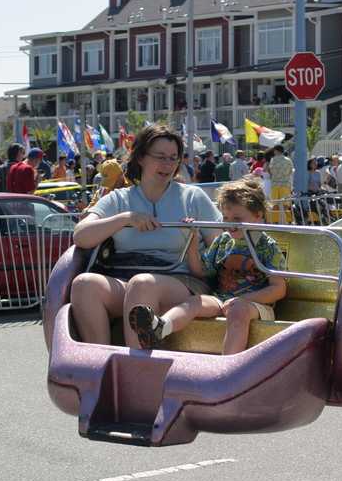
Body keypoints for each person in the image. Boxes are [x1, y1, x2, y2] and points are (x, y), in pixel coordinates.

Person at [70, 124, 223, 347]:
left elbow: (219, 248)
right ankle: (100, 360)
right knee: (84, 284)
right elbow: (81, 236)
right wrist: (125, 218)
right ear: (141, 157)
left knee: (142, 284)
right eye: (160, 157)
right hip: (126, 278)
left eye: (173, 158)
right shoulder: (119, 199)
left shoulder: (193, 197)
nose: (168, 164)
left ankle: (137, 363)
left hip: (181, 282)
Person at [127, 178, 287, 354]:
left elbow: (278, 289)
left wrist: (244, 299)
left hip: (256, 305)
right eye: (226, 218)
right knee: (195, 301)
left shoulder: (267, 247)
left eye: (237, 218)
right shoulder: (224, 241)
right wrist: (193, 240)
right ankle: (160, 328)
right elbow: (200, 271)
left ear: (258, 215)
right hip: (223, 299)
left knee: (238, 311)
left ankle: (228, 364)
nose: (230, 224)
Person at [268, 145, 294, 222]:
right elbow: (291, 171)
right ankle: (286, 220)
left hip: (275, 184)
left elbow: (270, 171)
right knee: (285, 204)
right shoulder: (288, 160)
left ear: (276, 151)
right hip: (285, 184)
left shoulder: (273, 160)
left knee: (275, 203)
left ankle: (276, 220)